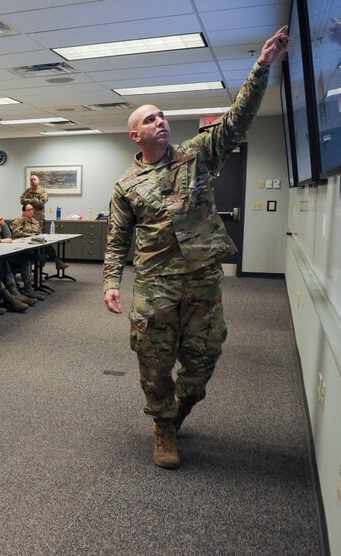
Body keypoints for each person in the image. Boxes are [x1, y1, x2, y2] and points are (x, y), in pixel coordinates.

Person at [102, 26, 289, 470]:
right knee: (153, 359)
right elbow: (117, 237)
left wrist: (261, 67)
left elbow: (237, 119)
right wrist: (111, 281)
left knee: (203, 361)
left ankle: (182, 408)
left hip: (204, 281)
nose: (160, 121)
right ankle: (163, 426)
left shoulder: (198, 154)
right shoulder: (126, 186)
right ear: (136, 136)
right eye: (149, 119)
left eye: (162, 115)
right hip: (154, 286)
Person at [11, 203, 69, 271]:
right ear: (24, 212)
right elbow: (16, 232)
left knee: (45, 246)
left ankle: (39, 271)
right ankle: (57, 262)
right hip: (22, 243)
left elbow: (39, 233)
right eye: (28, 210)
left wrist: (39, 237)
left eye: (32, 209)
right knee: (42, 249)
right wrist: (32, 236)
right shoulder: (18, 220)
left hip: (33, 242)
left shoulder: (35, 221)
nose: (31, 211)